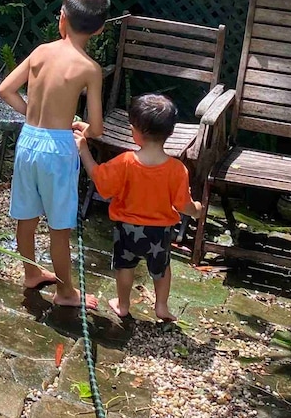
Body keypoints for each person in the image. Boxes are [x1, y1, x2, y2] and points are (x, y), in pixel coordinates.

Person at [0, 0, 108, 307]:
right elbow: (97, 127)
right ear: (99, 30)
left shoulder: (41, 52)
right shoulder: (90, 69)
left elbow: (5, 90)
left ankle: (31, 274)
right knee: (60, 226)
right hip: (59, 149)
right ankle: (66, 293)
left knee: (26, 219)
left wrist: (31, 112)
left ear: (62, 17)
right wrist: (80, 126)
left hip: (29, 140)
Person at [75, 92, 204, 322]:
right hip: (160, 233)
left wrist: (83, 148)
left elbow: (100, 180)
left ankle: (123, 305)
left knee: (125, 267)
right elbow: (183, 205)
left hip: (127, 229)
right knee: (161, 269)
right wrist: (196, 208)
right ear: (170, 132)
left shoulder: (125, 162)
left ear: (136, 133)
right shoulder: (177, 169)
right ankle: (162, 307)